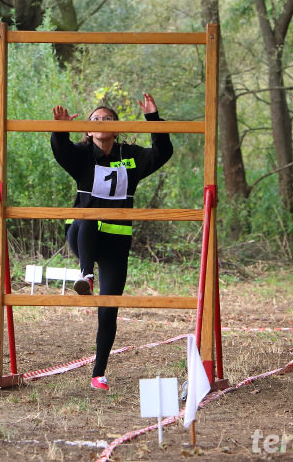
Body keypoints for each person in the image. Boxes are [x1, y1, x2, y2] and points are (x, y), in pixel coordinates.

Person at [51, 93, 173, 391]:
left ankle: (98, 373)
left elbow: (163, 152)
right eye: (95, 119)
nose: (102, 122)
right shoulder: (80, 155)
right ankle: (86, 275)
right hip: (81, 234)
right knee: (92, 214)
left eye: (108, 119)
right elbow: (60, 149)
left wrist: (153, 119)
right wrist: (60, 128)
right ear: (88, 130)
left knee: (109, 308)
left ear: (117, 129)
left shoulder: (130, 156)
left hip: (116, 242)